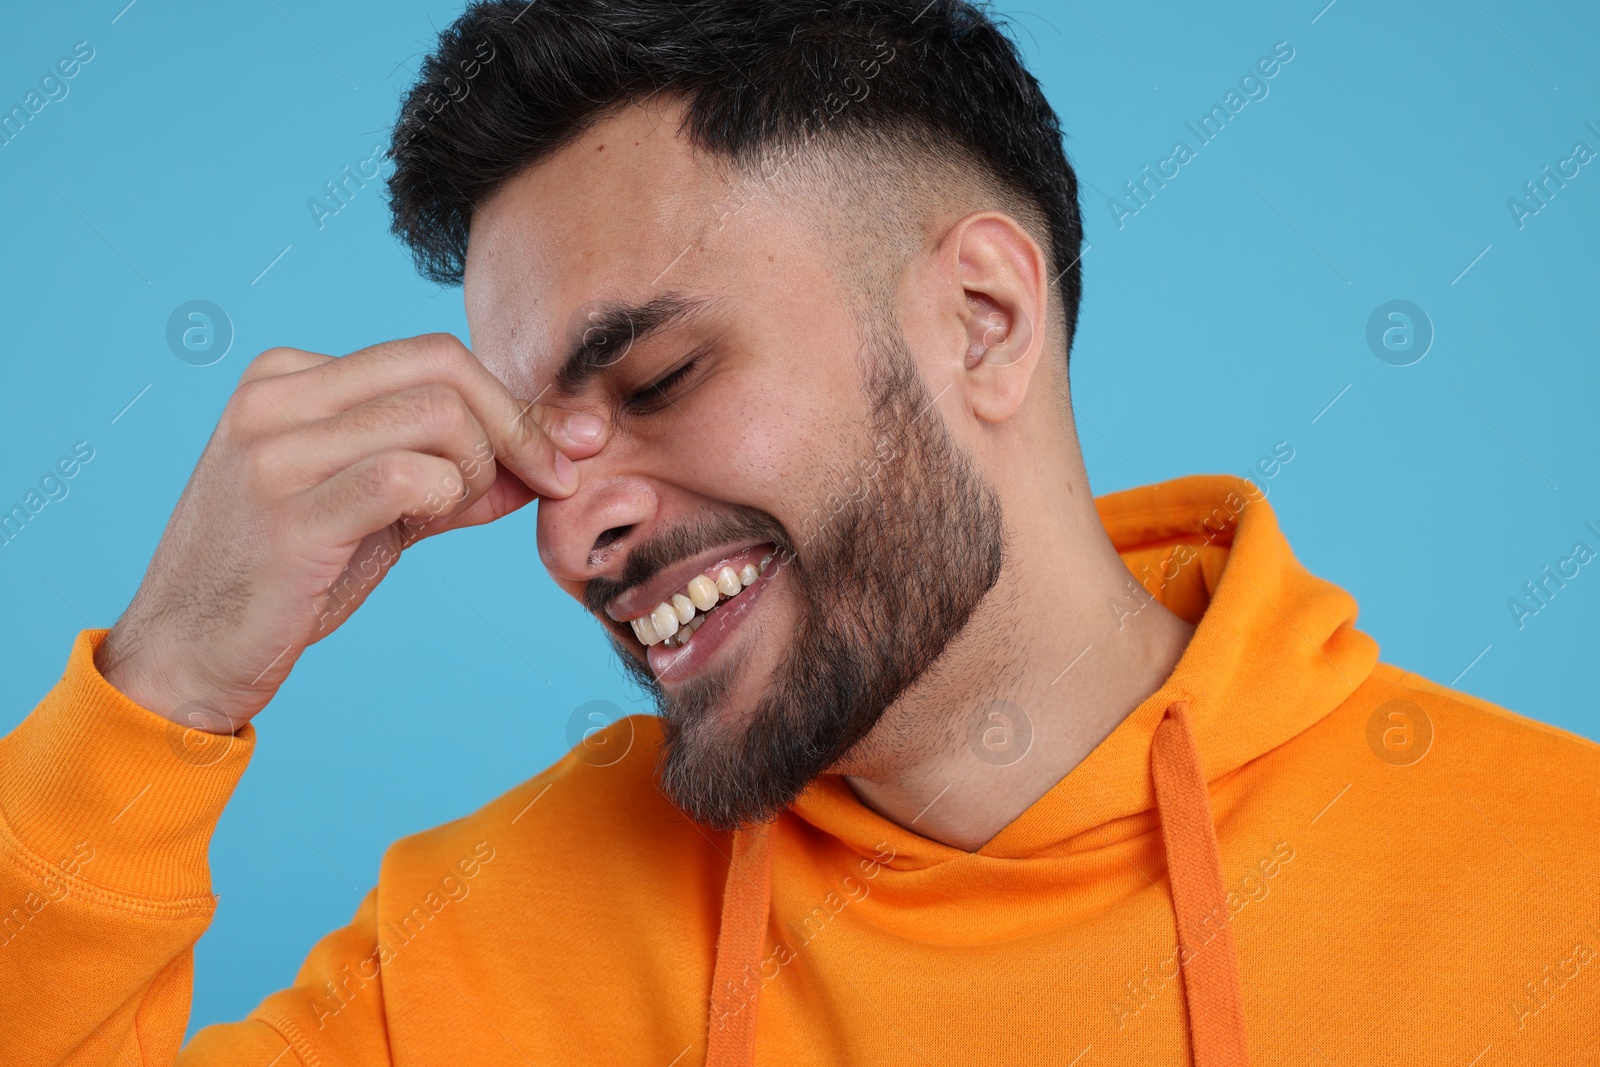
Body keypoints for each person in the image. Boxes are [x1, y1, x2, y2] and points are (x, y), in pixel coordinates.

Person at [3, 1, 1596, 1063]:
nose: (574, 536)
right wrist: (169, 684)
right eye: (539, 441)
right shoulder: (483, 941)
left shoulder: (1556, 887)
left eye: (662, 375)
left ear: (981, 318)